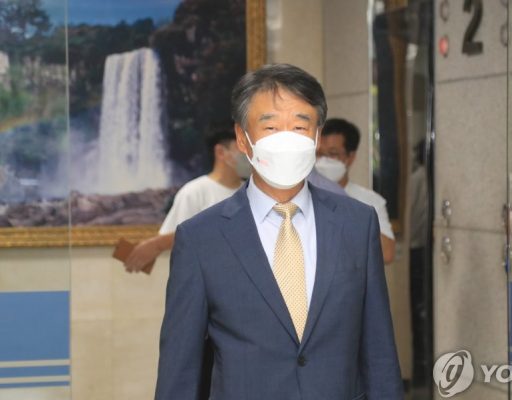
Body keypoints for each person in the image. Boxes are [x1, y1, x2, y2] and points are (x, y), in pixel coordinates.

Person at [155, 64, 403, 400]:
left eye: (300, 126)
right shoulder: (201, 238)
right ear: (243, 138)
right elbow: (180, 370)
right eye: (270, 127)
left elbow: (379, 352)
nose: (286, 140)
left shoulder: (357, 224)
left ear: (316, 136)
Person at [123, 128, 246, 272]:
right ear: (220, 152)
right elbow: (180, 238)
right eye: (242, 147)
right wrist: (156, 245)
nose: (249, 154)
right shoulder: (194, 192)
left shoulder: (253, 193)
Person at [315, 118, 396, 263]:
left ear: (350, 157)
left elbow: (387, 253)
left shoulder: (369, 201)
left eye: (332, 154)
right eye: (319, 154)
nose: (323, 161)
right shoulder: (301, 194)